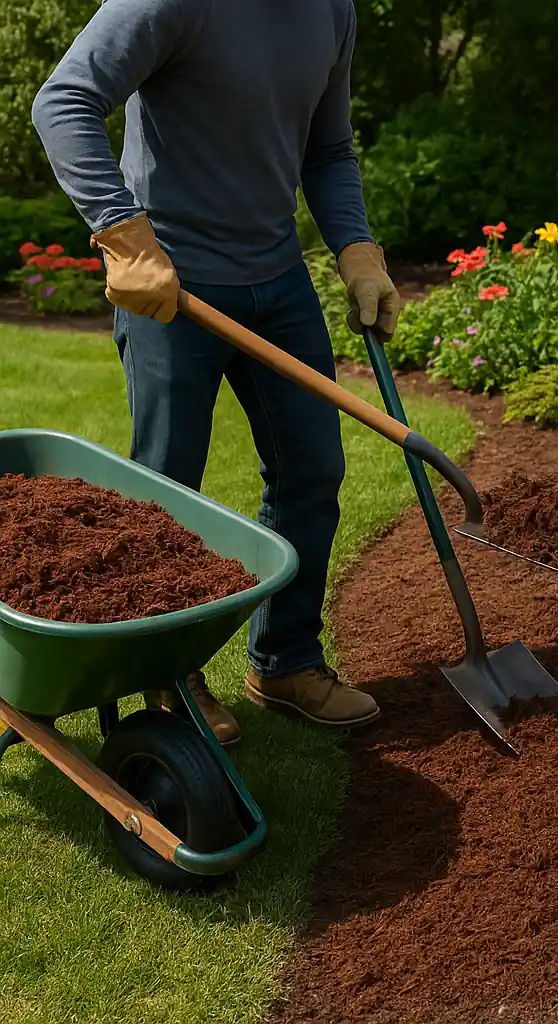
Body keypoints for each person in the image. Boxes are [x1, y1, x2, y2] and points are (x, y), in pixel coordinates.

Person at [31, 0, 402, 746]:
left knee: (312, 471)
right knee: (166, 491)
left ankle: (286, 662)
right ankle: (167, 676)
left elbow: (328, 149)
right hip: (174, 284)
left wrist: (358, 250)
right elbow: (63, 100)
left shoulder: (332, 9)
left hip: (279, 279)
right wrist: (123, 235)